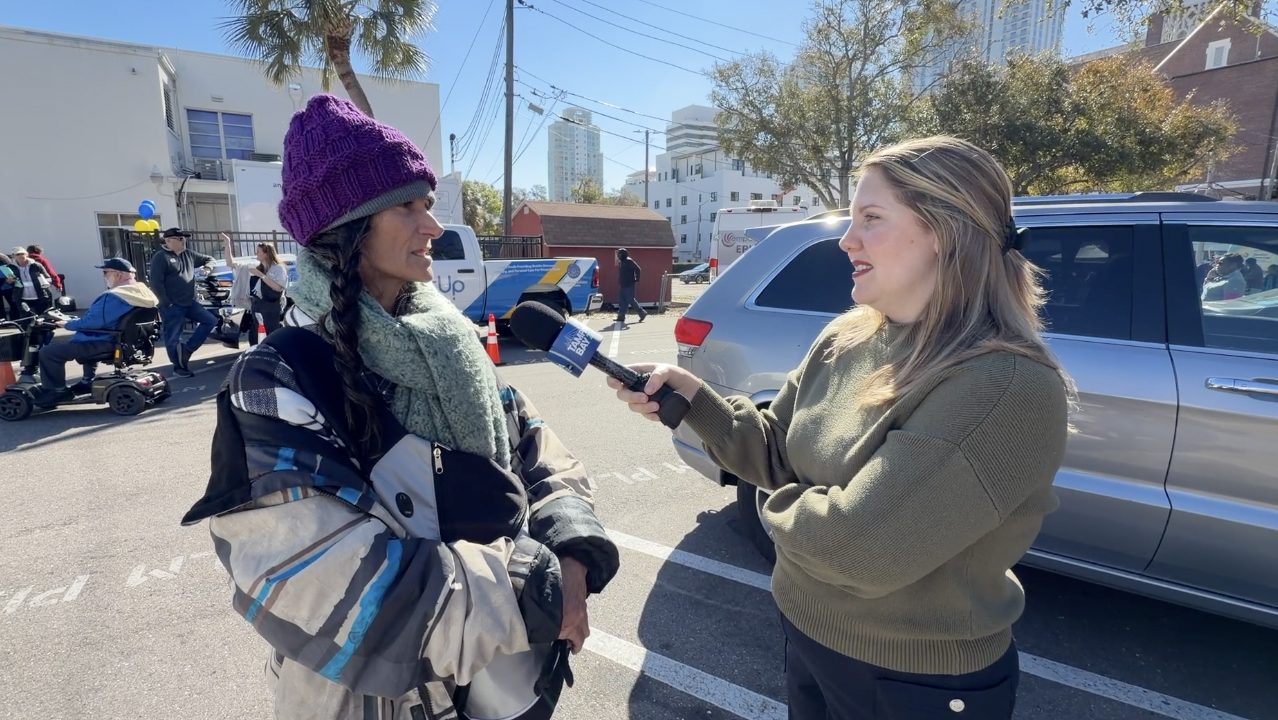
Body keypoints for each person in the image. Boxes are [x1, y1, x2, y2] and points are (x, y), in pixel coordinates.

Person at [181, 94, 618, 720]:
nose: (433, 228)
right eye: (406, 208)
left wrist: (572, 550)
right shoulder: (278, 374)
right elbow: (327, 584)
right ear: (348, 228)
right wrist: (539, 585)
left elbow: (535, 445)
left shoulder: (452, 340)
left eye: (429, 205)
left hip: (506, 685)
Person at [611, 136, 1074, 720]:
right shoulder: (849, 336)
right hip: (807, 634)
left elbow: (858, 551)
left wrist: (777, 510)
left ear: (945, 231)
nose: (845, 239)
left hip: (917, 683)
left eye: (871, 219)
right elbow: (779, 450)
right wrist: (696, 400)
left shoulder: (1005, 387)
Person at [32, 258, 158, 407]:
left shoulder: (114, 296)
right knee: (80, 340)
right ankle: (86, 381)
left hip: (104, 341)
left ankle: (56, 391)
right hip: (129, 342)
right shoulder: (143, 293)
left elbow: (91, 323)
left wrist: (67, 324)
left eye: (106, 272)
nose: (104, 275)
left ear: (118, 274)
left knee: (49, 351)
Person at [149, 227, 218, 377]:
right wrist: (166, 302)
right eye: (179, 239)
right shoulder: (161, 257)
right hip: (172, 305)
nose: (183, 241)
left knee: (210, 320)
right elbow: (155, 283)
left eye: (184, 238)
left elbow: (210, 259)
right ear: (168, 241)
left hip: (189, 302)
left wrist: (207, 267)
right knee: (173, 336)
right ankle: (179, 367)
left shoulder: (189, 254)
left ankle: (187, 349)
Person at [218, 233, 288, 349]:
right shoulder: (256, 267)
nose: (256, 253)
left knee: (270, 336)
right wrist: (227, 245)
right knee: (255, 336)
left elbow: (278, 287)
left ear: (266, 253)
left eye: (259, 251)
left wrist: (261, 276)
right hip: (257, 307)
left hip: (271, 309)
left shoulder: (278, 269)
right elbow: (231, 263)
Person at [9, 246, 55, 377]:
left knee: (43, 324)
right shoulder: (11, 268)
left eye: (23, 254)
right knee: (27, 327)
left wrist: (45, 282)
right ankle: (29, 354)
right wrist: (10, 281)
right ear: (14, 257)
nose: (21, 256)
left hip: (40, 297)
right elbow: (9, 284)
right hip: (23, 299)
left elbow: (49, 278)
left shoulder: (36, 265)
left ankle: (44, 347)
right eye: (18, 254)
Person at [615, 248, 646, 324]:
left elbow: (638, 269)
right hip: (622, 284)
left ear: (624, 254)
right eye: (618, 254)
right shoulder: (622, 262)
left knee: (630, 299)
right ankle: (621, 316)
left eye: (620, 254)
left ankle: (642, 313)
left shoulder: (629, 261)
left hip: (629, 284)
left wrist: (637, 279)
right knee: (622, 300)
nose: (619, 255)